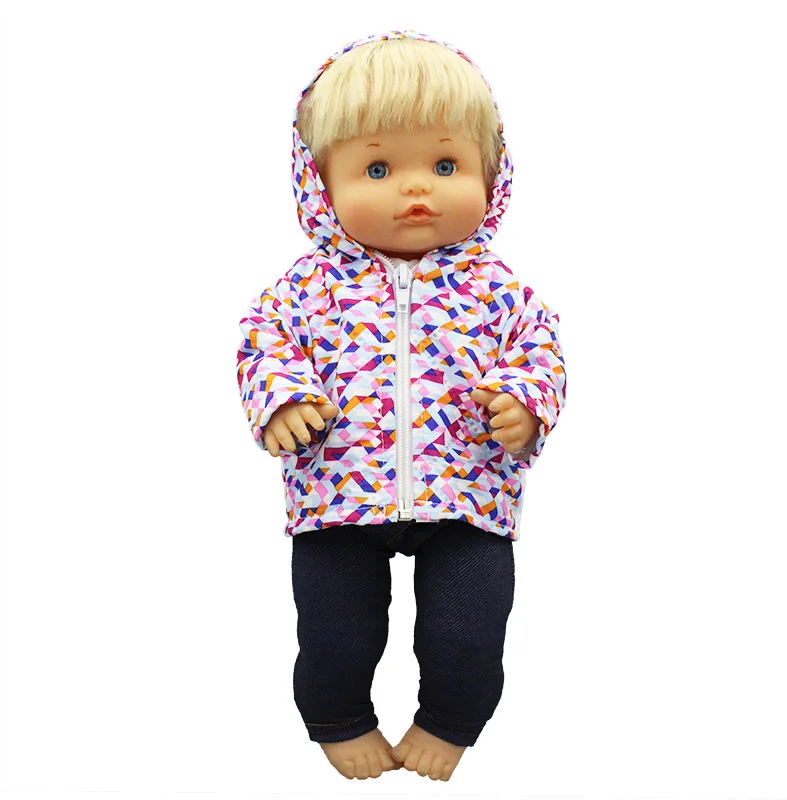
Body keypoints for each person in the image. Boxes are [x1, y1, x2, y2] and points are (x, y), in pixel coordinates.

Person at [236, 30, 567, 782]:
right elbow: (264, 342)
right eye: (379, 168)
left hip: (469, 492)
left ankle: (449, 721)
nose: (417, 190)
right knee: (336, 632)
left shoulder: (499, 291)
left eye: (446, 166)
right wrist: (282, 401)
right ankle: (338, 717)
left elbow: (540, 351)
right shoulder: (307, 289)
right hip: (337, 495)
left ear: (492, 172)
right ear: (320, 183)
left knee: (468, 634)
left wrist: (525, 404)